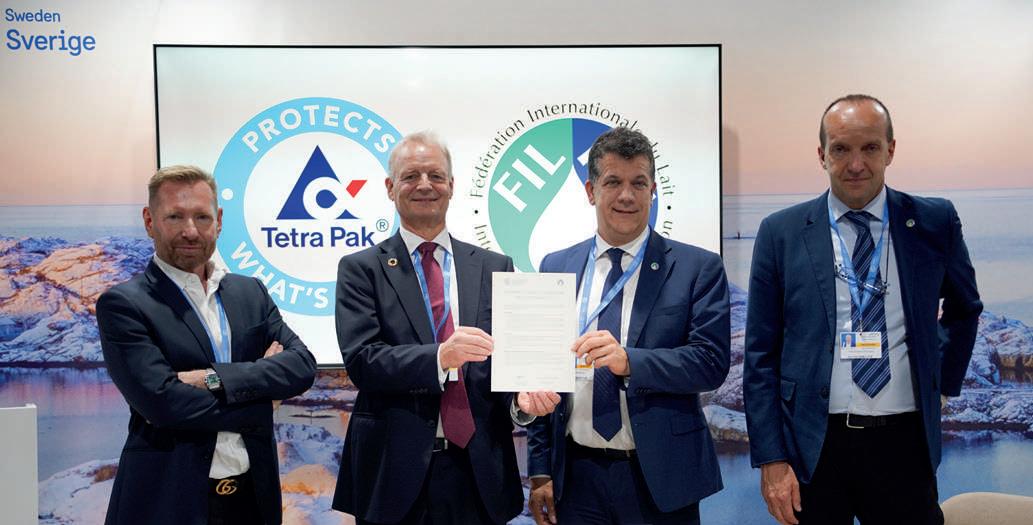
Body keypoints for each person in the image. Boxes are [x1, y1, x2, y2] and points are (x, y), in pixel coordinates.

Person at [743, 94, 983, 524]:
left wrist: (941, 383)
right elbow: (760, 354)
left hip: (904, 444)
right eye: (841, 149)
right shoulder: (781, 232)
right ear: (822, 155)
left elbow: (965, 308)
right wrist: (771, 458)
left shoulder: (934, 222)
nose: (856, 164)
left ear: (890, 150)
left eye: (870, 148)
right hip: (813, 447)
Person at [331, 131, 558, 525]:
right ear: (390, 188)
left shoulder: (495, 266)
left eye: (435, 175)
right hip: (393, 473)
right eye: (411, 176)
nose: (425, 185)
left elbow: (506, 365)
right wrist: (440, 357)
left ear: (451, 186)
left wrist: (521, 405)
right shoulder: (361, 269)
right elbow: (363, 361)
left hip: (479, 474)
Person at [525, 127, 731, 524]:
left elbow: (710, 363)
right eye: (613, 182)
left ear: (652, 190)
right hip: (576, 479)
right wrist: (539, 470)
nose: (626, 195)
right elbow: (541, 375)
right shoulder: (555, 266)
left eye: (638, 183)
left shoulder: (696, 267)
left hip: (661, 479)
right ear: (591, 191)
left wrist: (630, 361)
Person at [97, 165, 317, 525]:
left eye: (201, 216)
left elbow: (302, 366)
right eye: (175, 217)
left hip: (253, 500)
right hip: (167, 502)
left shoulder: (250, 292)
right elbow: (164, 404)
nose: (190, 230)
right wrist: (264, 400)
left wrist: (211, 379)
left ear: (219, 220)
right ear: (149, 221)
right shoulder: (124, 304)